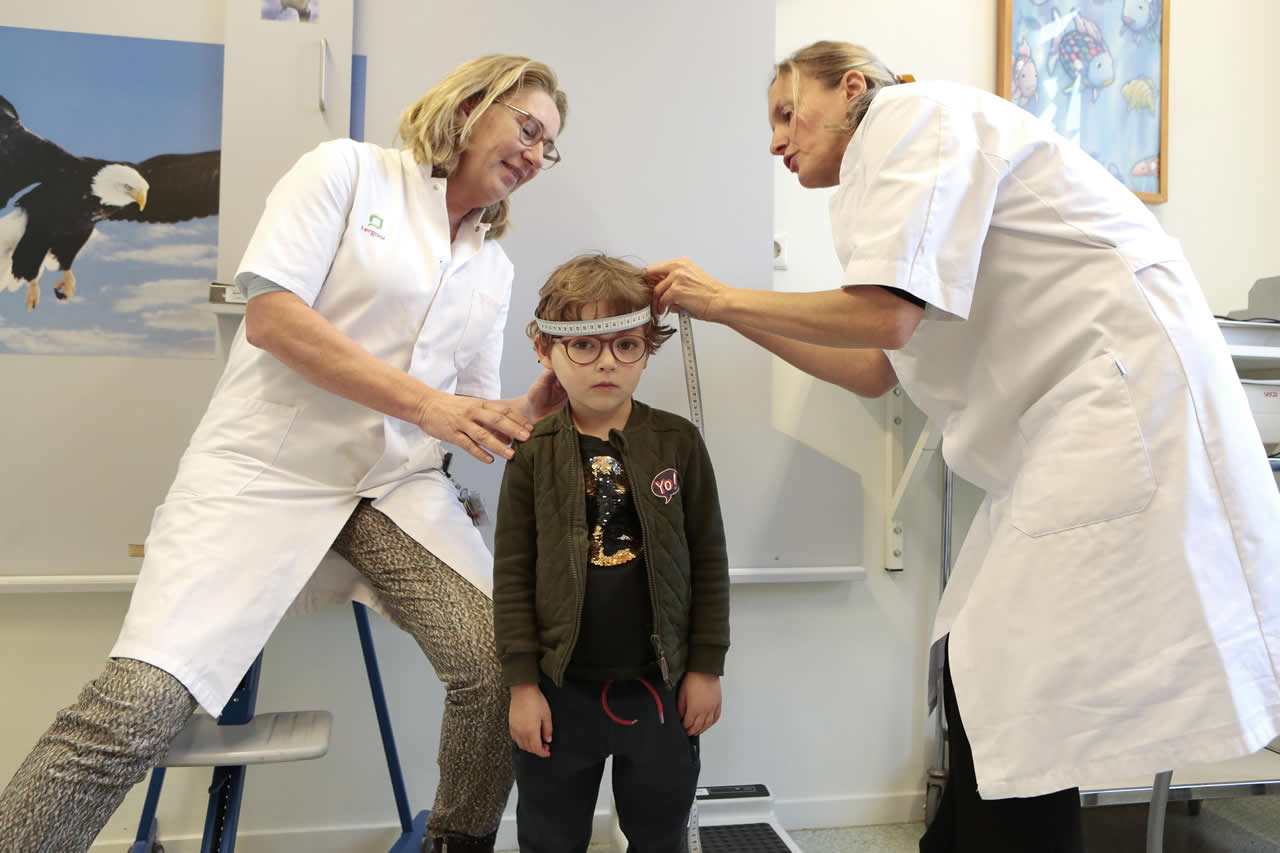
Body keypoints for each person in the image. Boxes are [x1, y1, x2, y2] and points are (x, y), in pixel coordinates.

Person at [647, 39, 1280, 853]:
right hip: (1056, 431)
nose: (776, 141)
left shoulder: (915, 116)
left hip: (1116, 405)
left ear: (849, 90)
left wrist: (726, 293)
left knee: (1015, 688)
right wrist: (733, 313)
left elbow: (886, 318)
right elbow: (878, 366)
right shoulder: (884, 182)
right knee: (976, 670)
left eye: (785, 112)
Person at [0, 55, 568, 853]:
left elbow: (466, 412)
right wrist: (429, 406)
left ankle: (457, 841)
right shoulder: (347, 172)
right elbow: (271, 316)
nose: (537, 154)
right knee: (134, 706)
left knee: (501, 665)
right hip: (264, 476)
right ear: (472, 106)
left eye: (551, 146)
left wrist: (532, 409)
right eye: (530, 128)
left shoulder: (492, 264)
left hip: (391, 488)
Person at [492, 254, 729, 852]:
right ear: (546, 351)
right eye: (585, 347)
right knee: (550, 835)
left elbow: (709, 559)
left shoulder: (677, 441)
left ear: (649, 348)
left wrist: (705, 667)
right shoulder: (533, 452)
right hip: (558, 692)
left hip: (660, 686)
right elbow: (513, 575)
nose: (606, 363)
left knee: (658, 830)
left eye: (626, 345)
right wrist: (522, 686)